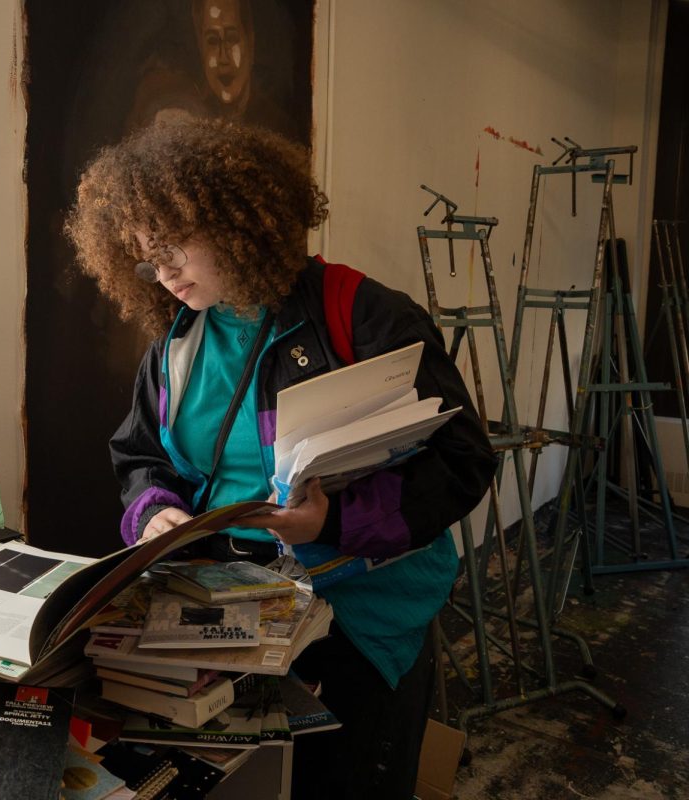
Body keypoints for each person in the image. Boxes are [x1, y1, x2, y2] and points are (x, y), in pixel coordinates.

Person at [63, 117, 496, 799]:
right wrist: (157, 511)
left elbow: (464, 461)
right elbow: (141, 456)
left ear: (240, 223)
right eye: (148, 257)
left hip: (360, 612)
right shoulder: (178, 344)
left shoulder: (368, 317)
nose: (165, 270)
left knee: (346, 781)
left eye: (176, 244)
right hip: (227, 604)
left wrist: (332, 520)